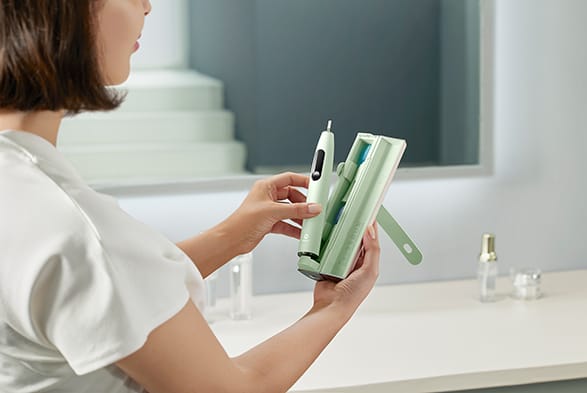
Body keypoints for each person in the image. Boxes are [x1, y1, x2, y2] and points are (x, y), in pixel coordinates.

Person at [0, 1, 381, 392]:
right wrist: (335, 306)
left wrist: (230, 237)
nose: (147, 6)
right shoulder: (82, 234)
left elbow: (102, 291)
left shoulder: (18, 184)